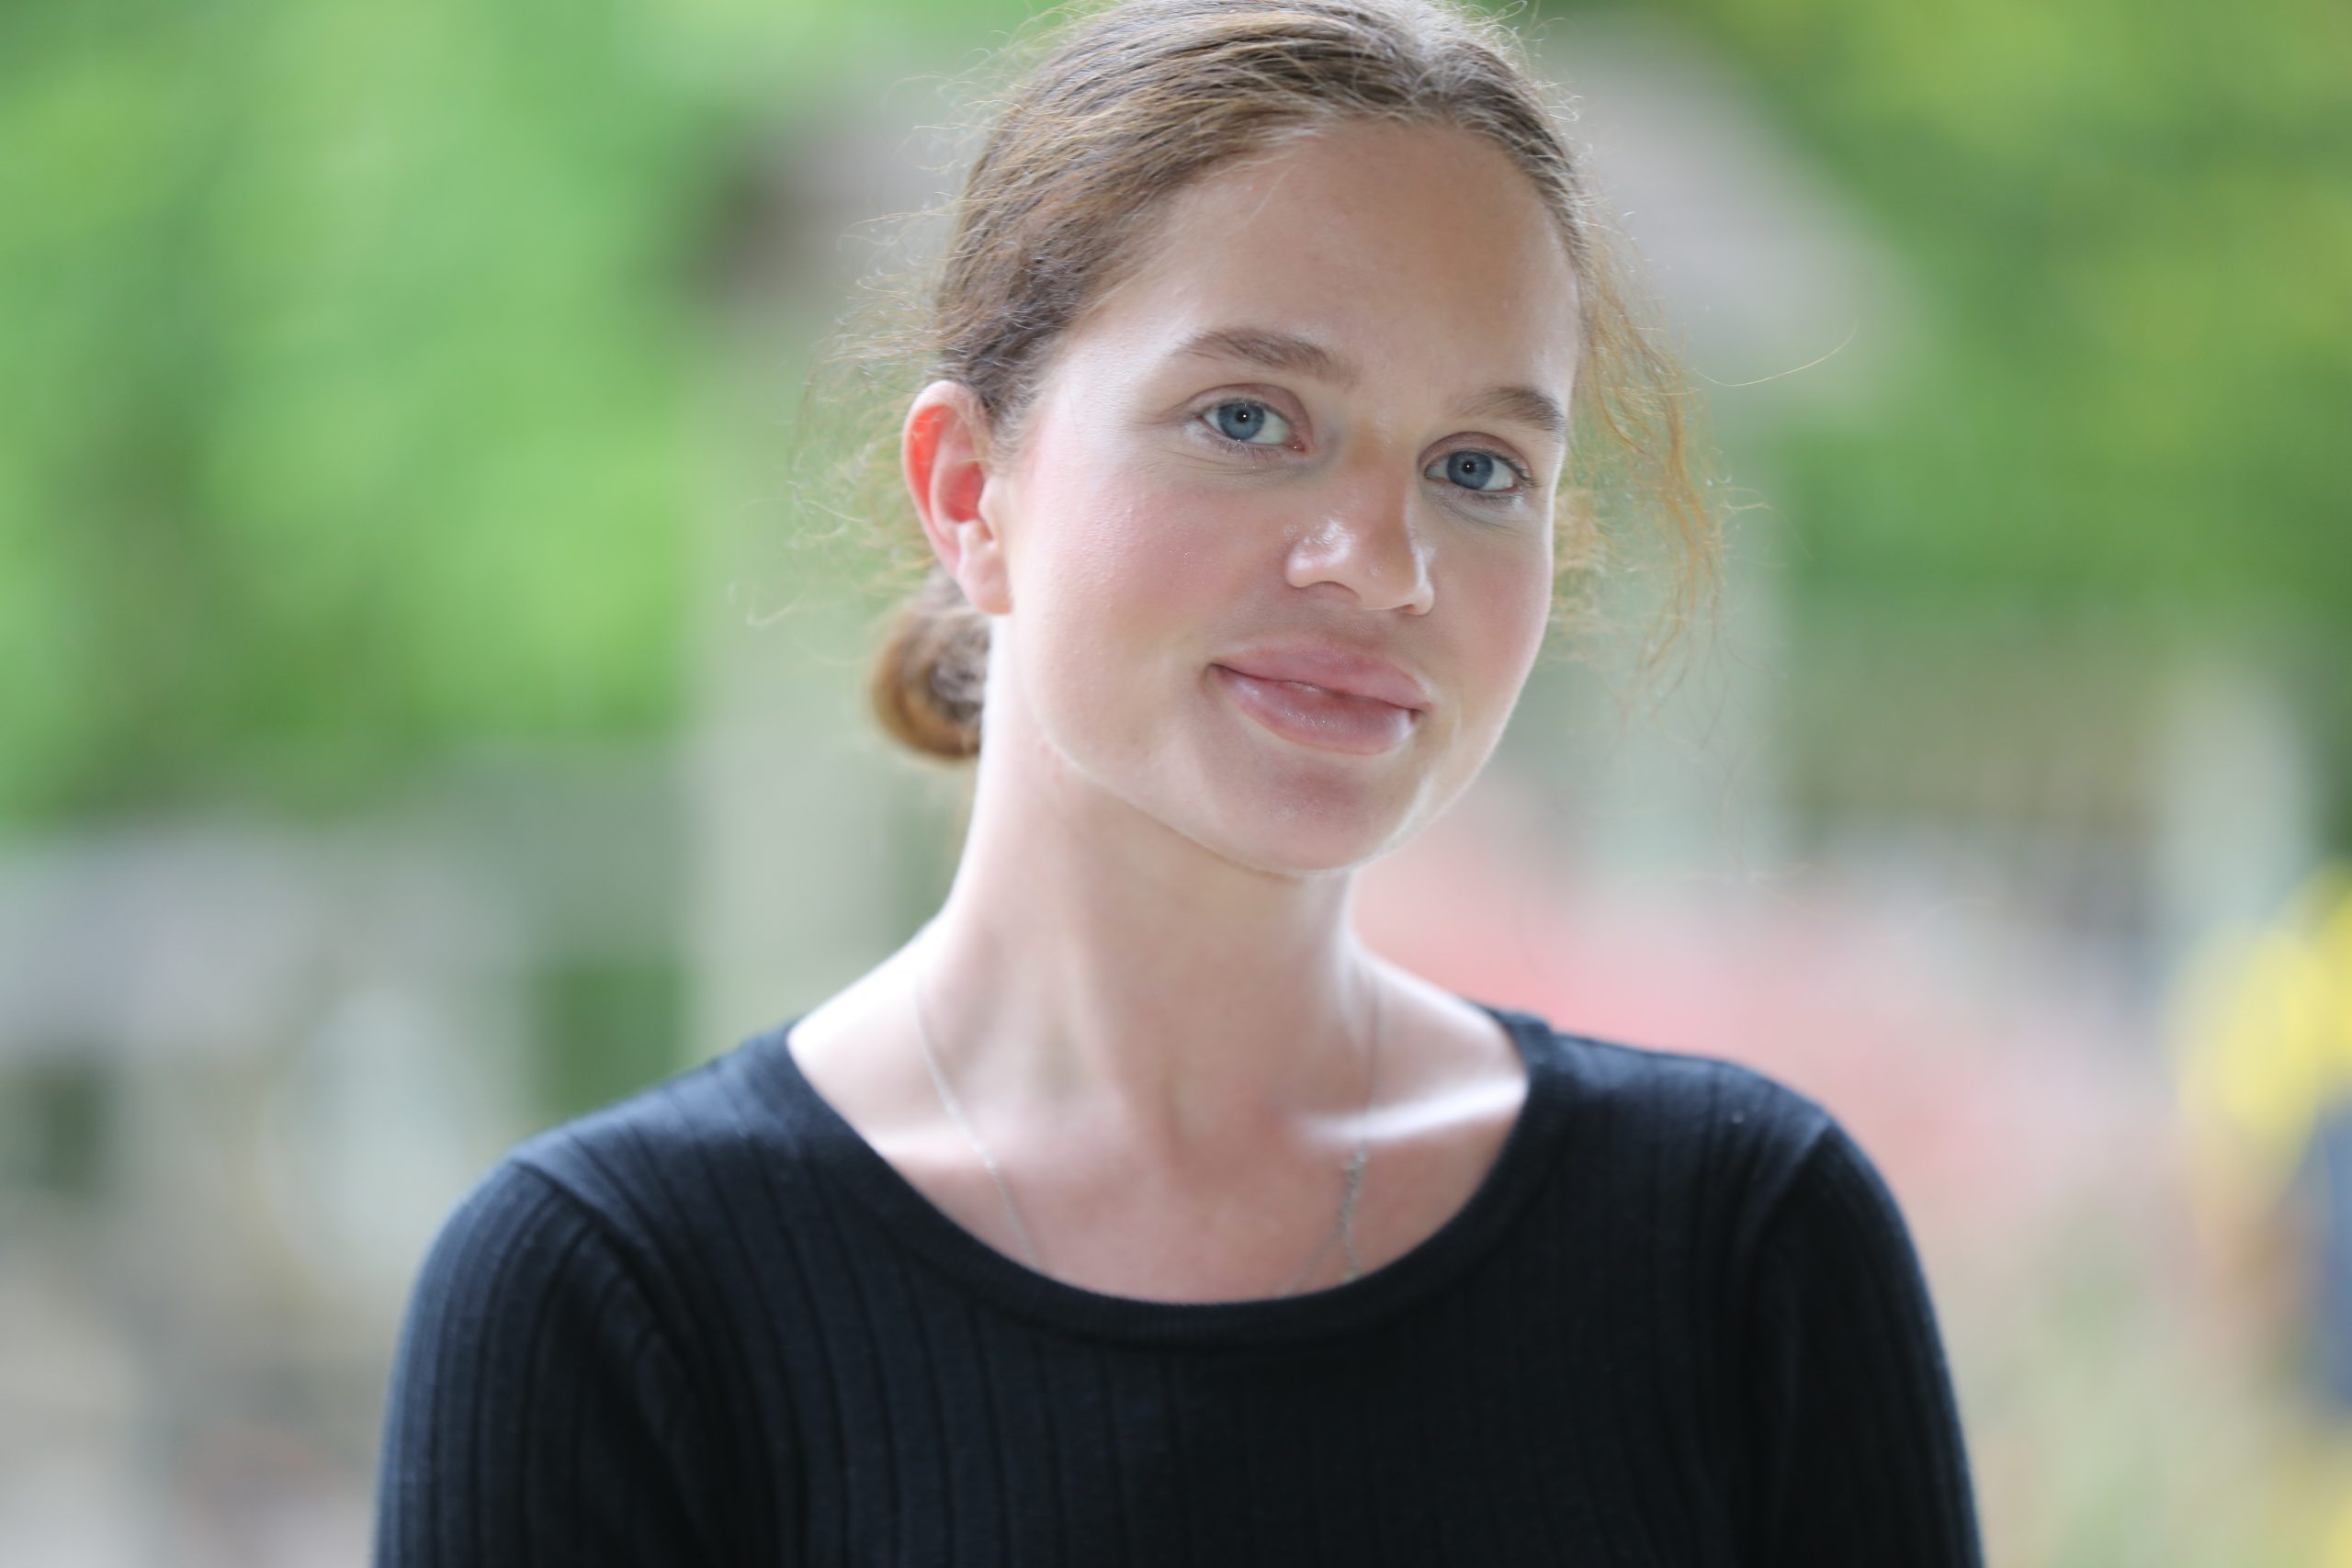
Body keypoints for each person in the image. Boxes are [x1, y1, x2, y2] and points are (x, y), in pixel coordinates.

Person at [371, 0, 1985, 1562]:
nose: (1383, 563)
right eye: (1249, 418)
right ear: (969, 492)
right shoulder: (613, 1294)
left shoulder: (1744, 1246)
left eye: (1479, 467)